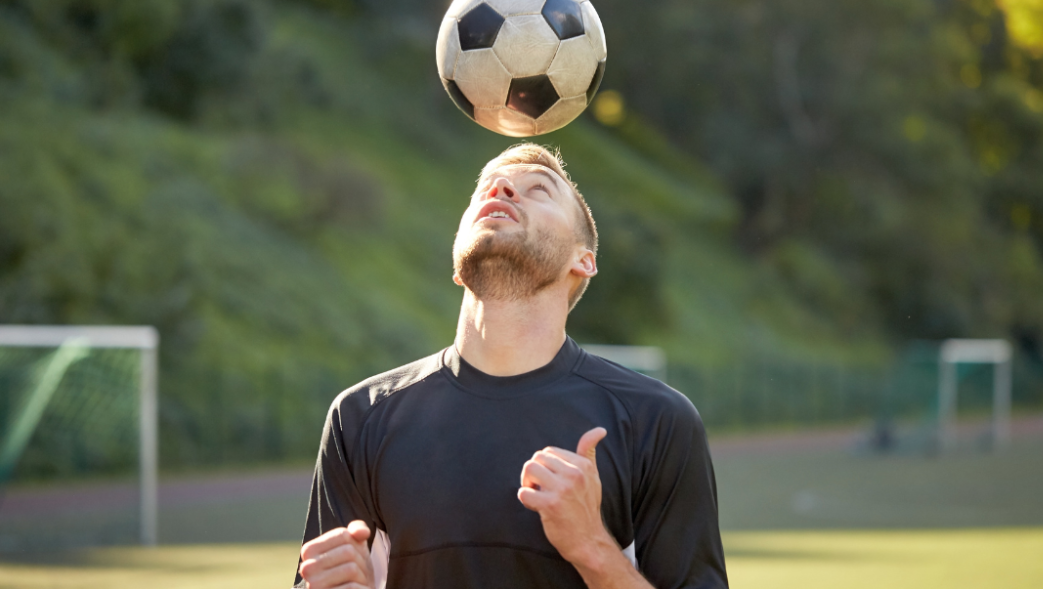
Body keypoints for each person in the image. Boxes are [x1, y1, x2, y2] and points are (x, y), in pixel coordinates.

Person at [294, 144, 727, 589]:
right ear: (458, 262)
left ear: (584, 260)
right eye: (486, 189)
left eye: (538, 189)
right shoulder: (360, 418)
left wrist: (593, 549)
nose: (500, 189)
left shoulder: (657, 421)